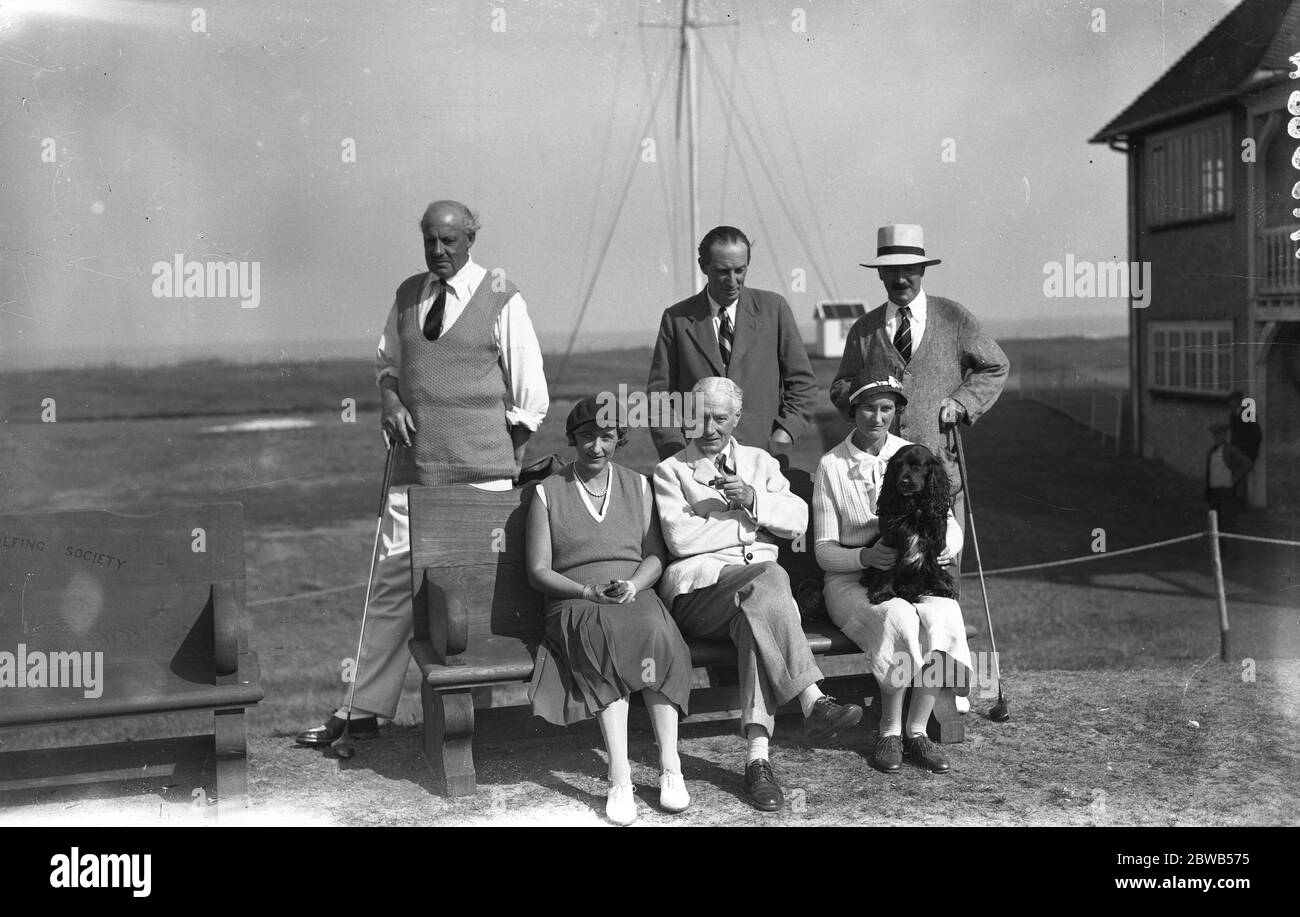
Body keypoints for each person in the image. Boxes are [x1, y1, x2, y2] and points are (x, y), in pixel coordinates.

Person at [296, 199, 549, 747]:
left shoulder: (503, 297)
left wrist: (504, 465)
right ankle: (362, 710)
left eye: (449, 241)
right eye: (430, 240)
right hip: (412, 472)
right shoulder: (408, 294)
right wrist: (389, 401)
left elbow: (531, 400)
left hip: (482, 478)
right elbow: (387, 365)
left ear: (471, 239)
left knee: (474, 599)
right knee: (389, 585)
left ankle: (472, 718)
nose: (438, 251)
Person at [653, 376, 862, 812]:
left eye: (721, 417)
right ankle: (811, 698)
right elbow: (681, 539)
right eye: (700, 416)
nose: (709, 427)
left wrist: (753, 499)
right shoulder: (671, 471)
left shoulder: (760, 463)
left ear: (737, 418)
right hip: (700, 592)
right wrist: (753, 525)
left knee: (757, 613)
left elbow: (798, 519)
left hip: (753, 599)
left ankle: (757, 762)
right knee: (769, 575)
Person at [526, 397, 693, 826]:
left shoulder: (638, 485)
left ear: (619, 439)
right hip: (575, 599)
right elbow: (538, 571)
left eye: (605, 437)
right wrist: (588, 590)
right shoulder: (547, 492)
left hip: (631, 593)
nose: (595, 447)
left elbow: (655, 555)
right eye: (586, 437)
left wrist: (634, 585)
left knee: (656, 628)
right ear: (572, 440)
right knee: (601, 632)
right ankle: (619, 775)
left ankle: (670, 764)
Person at [812, 373, 972, 774]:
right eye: (868, 407)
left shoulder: (912, 454)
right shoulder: (831, 465)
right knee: (898, 616)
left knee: (945, 615)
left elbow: (947, 523)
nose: (876, 417)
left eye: (886, 409)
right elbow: (823, 551)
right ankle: (889, 731)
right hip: (852, 580)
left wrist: (936, 553)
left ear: (896, 413)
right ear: (853, 411)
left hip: (916, 572)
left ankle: (918, 730)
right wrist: (865, 558)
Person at [829, 223, 1008, 569]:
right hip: (882, 484)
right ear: (880, 274)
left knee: (941, 577)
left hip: (939, 477)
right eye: (891, 271)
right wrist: (867, 397)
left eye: (908, 270)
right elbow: (840, 387)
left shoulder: (953, 318)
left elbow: (995, 366)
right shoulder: (864, 330)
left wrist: (962, 401)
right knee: (887, 582)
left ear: (922, 270)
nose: (900, 279)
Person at [647, 226, 818, 464]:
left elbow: (803, 384)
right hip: (695, 460)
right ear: (703, 266)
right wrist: (674, 448)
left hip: (764, 458)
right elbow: (659, 394)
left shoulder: (774, 309)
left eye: (740, 270)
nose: (732, 281)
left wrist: (786, 432)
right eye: (722, 271)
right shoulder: (676, 319)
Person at [1205, 422, 1250, 559]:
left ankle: (1234, 553)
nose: (1215, 437)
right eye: (1214, 435)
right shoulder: (1212, 451)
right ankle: (1221, 552)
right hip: (1214, 492)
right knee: (1215, 523)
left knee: (1229, 523)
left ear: (1224, 435)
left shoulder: (1230, 450)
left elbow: (1246, 463)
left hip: (1226, 492)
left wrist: (1236, 477)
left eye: (1218, 434)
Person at [1226, 390, 1261, 508]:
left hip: (1247, 450)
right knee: (1241, 475)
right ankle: (1239, 502)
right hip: (1236, 449)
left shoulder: (1247, 412)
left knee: (1245, 467)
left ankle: (1232, 485)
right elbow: (1233, 434)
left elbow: (1256, 433)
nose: (1231, 403)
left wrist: (1250, 448)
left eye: (1234, 400)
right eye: (1230, 401)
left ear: (1238, 401)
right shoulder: (1232, 415)